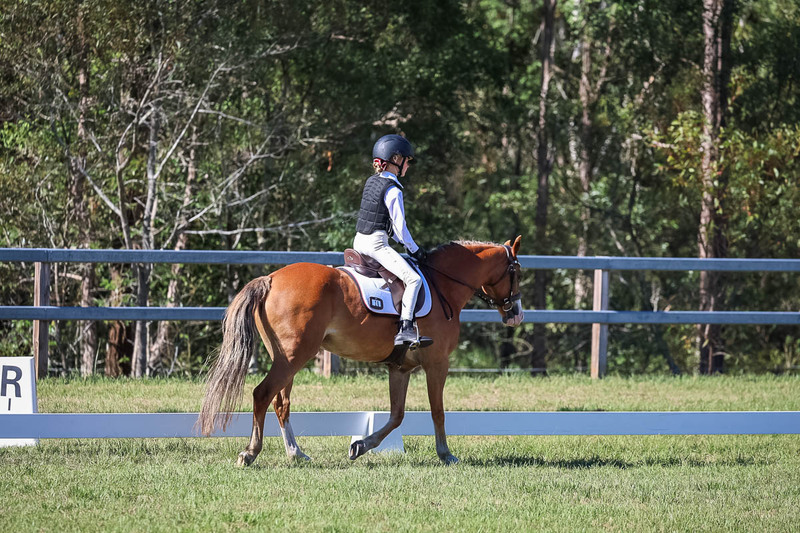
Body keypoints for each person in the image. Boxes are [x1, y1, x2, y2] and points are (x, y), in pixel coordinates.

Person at [353, 134, 432, 349]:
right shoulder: (393, 190)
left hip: (359, 242)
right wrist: (415, 250)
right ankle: (406, 329)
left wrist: (403, 243)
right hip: (376, 245)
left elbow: (387, 226)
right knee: (414, 279)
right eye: (407, 160)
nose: (408, 166)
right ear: (396, 159)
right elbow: (400, 229)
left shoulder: (371, 182)